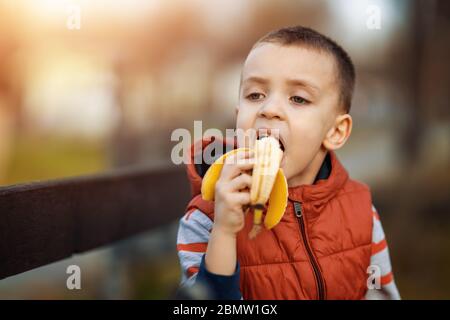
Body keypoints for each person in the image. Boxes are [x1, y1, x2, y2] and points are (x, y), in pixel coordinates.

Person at [176, 26, 400, 300]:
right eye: (255, 95)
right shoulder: (205, 218)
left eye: (298, 98)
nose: (269, 109)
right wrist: (224, 232)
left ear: (335, 131)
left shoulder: (362, 212)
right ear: (238, 117)